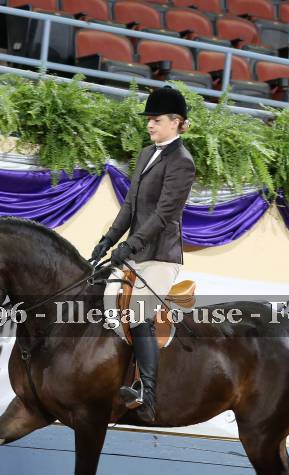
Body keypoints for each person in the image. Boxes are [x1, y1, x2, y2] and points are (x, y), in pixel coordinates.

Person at [89, 86, 196, 424]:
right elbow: (130, 207)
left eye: (156, 119)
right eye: (149, 119)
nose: (150, 124)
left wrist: (129, 246)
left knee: (137, 313)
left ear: (176, 122)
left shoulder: (182, 162)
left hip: (161, 256)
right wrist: (108, 240)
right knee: (101, 298)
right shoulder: (147, 153)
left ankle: (147, 396)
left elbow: (163, 215)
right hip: (136, 250)